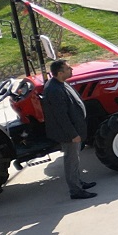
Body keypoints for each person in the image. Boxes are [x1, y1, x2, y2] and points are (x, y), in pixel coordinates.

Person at [41, 60, 94, 201]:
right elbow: (61, 116)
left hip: (74, 130)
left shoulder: (61, 83)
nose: (71, 69)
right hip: (68, 134)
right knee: (71, 161)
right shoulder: (54, 90)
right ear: (60, 73)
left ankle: (78, 182)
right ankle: (76, 190)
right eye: (68, 68)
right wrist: (73, 134)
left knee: (75, 159)